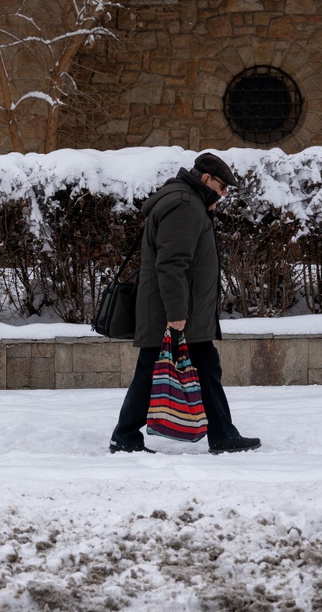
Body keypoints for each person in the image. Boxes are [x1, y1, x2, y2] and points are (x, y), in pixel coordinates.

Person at [109, 153, 261, 455]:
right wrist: (177, 314)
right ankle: (126, 437)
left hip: (183, 312)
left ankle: (221, 435)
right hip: (176, 314)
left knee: (202, 367)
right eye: (222, 186)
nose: (225, 193)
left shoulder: (188, 201)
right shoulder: (185, 205)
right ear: (205, 179)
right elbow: (171, 264)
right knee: (156, 371)